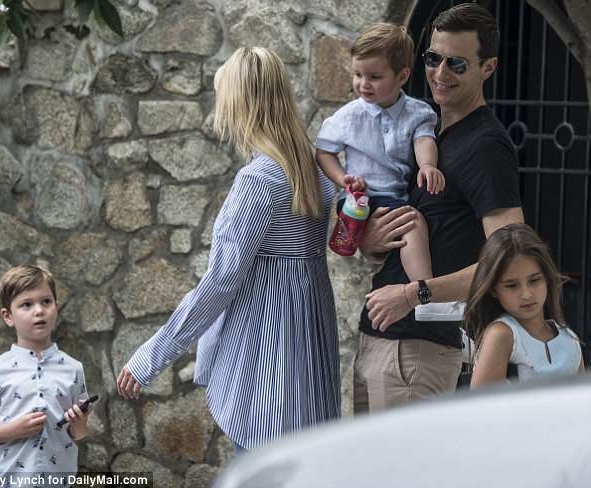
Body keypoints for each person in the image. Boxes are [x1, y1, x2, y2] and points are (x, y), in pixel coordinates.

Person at [117, 47, 340, 450]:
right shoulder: (315, 170)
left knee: (258, 467)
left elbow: (220, 282)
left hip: (265, 362)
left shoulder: (259, 180)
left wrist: (152, 355)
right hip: (309, 355)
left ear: (240, 104)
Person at [356, 3, 525, 412]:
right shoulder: (425, 129)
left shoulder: (486, 146)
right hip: (382, 344)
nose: (440, 72)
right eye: (433, 58)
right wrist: (373, 242)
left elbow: (510, 258)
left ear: (488, 67)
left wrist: (416, 293)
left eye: (457, 64)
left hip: (417, 354)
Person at [316, 22, 443, 284]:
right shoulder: (348, 116)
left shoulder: (417, 113)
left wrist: (427, 165)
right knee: (413, 223)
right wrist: (342, 179)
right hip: (358, 197)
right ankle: (426, 290)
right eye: (357, 74)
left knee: (403, 231)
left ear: (402, 76)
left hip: (391, 196)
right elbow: (324, 151)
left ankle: (410, 282)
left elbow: (424, 139)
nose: (363, 84)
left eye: (374, 77)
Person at [0, 265, 91, 487]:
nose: (39, 310)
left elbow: (78, 434)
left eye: (46, 301)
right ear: (8, 316)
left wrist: (79, 425)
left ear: (56, 307)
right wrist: (12, 430)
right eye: (26, 304)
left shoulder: (74, 368)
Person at [465, 224, 584, 387]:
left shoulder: (570, 338)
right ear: (493, 289)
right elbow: (481, 402)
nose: (526, 294)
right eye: (512, 285)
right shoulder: (501, 335)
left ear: (547, 278)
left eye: (534, 280)